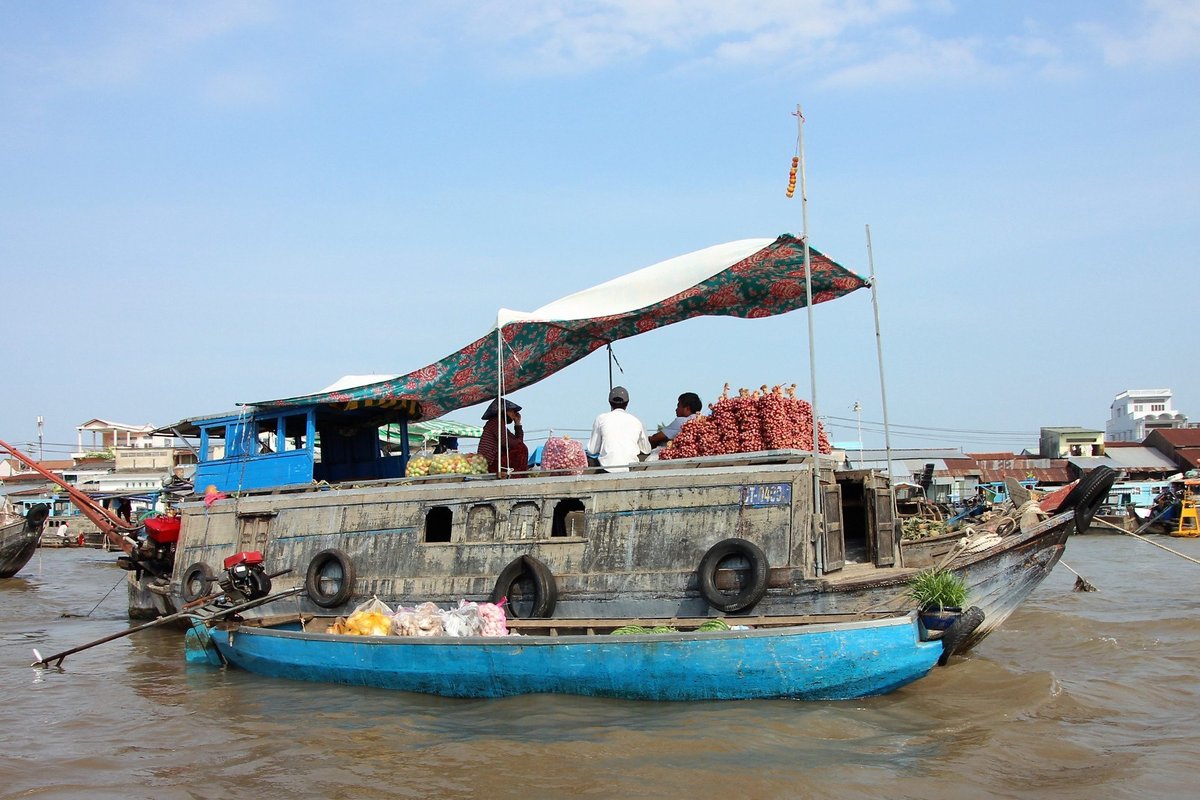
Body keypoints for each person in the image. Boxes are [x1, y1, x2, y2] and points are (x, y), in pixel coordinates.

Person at [588, 386, 651, 473]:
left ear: (610, 402)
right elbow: (646, 450)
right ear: (627, 403)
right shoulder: (637, 421)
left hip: (606, 469)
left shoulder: (601, 419)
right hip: (630, 469)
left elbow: (592, 450)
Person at [477, 398, 529, 475]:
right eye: (512, 411)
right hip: (490, 461)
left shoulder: (500, 424)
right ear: (504, 411)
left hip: (496, 460)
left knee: (521, 447)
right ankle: (517, 476)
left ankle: (518, 475)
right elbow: (506, 442)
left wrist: (517, 423)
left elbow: (518, 441)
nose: (514, 414)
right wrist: (519, 444)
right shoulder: (495, 422)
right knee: (521, 448)